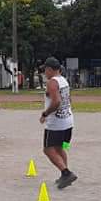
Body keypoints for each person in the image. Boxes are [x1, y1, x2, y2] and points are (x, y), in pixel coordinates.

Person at [40, 57, 77, 189]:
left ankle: (66, 173)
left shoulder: (52, 82)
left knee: (48, 149)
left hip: (56, 124)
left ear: (50, 69)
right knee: (60, 147)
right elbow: (69, 99)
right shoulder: (64, 81)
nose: (45, 72)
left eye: (45, 69)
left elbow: (56, 102)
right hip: (68, 122)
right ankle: (65, 175)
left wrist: (45, 114)